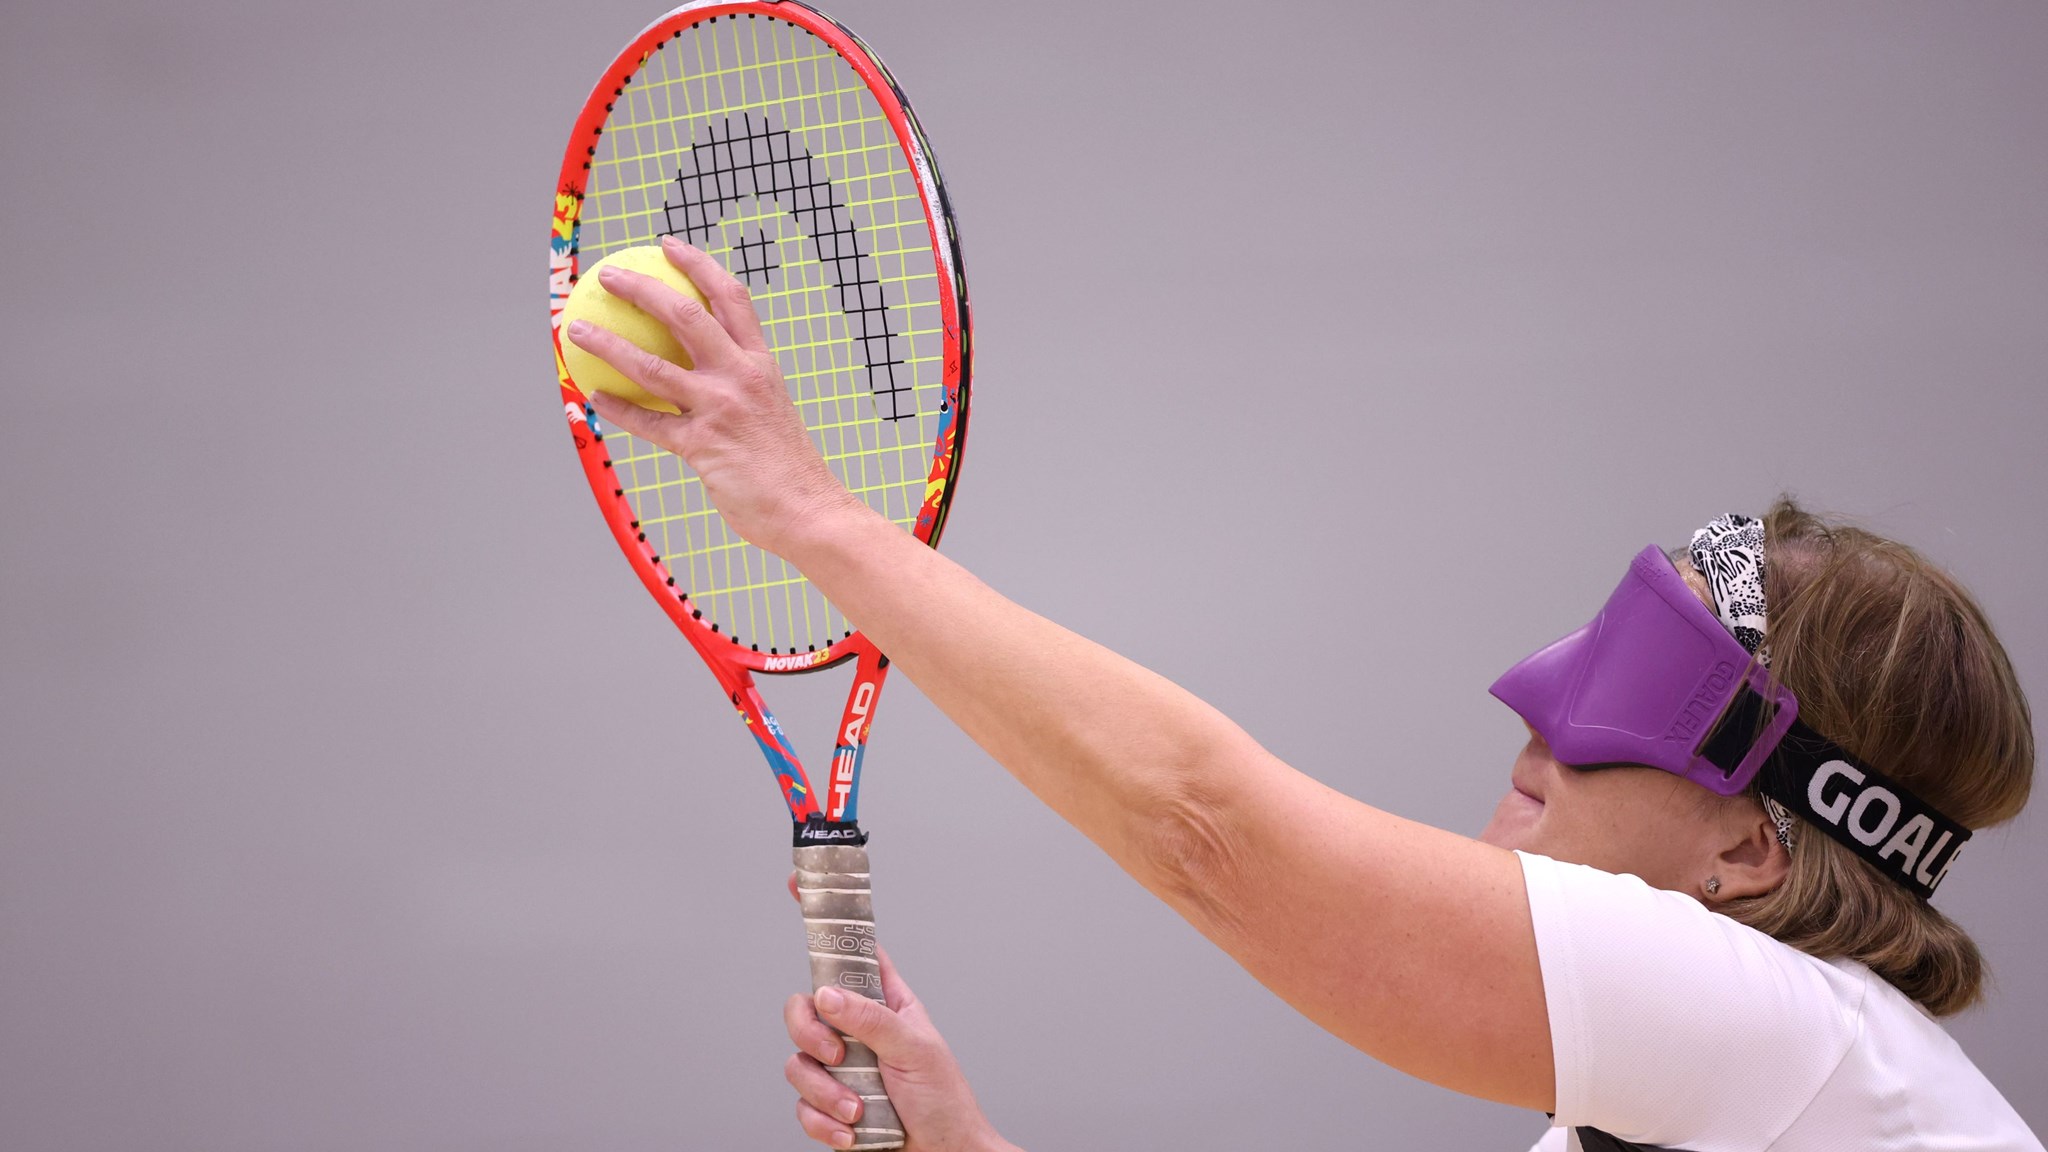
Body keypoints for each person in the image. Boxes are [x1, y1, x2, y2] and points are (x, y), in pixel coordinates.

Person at [564, 237, 2041, 1152]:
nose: (1535, 719)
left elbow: (1210, 829)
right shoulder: (1676, 1114)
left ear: (1756, 847)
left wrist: (811, 515)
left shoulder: (1790, 1040)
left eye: (1640, 687)